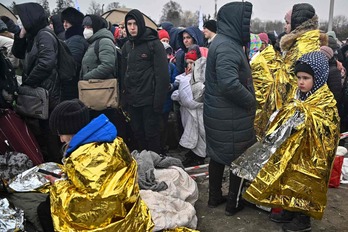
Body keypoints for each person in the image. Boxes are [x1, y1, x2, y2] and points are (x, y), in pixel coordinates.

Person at [233, 51, 339, 232]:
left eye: (306, 77)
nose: (301, 82)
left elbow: (328, 126)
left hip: (311, 155)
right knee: (290, 179)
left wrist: (304, 117)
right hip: (293, 149)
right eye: (298, 77)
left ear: (319, 77)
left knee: (305, 184)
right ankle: (290, 208)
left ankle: (303, 218)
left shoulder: (325, 101)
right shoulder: (299, 95)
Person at [37, 99, 154, 231]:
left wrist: (58, 184)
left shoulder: (83, 157)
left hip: (113, 224)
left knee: (45, 210)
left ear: (70, 129)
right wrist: (67, 176)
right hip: (131, 216)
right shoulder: (115, 141)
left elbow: (92, 206)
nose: (61, 139)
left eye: (61, 134)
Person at [203, 1, 256, 216]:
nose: (248, 26)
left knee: (217, 156)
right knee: (238, 158)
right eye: (246, 21)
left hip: (220, 113)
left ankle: (215, 197)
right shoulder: (227, 46)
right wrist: (250, 101)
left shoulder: (224, 42)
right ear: (236, 21)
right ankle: (232, 204)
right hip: (231, 115)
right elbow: (229, 83)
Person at [11, 2, 62, 163]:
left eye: (21, 18)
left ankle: (54, 164)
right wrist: (20, 35)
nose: (19, 22)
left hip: (46, 94)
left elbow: (46, 62)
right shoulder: (33, 35)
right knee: (40, 131)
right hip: (38, 93)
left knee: (48, 133)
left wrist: (28, 81)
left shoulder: (44, 35)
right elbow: (17, 53)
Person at [121, 9, 169, 155]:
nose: (132, 27)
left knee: (152, 136)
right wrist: (125, 100)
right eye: (129, 24)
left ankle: (155, 167)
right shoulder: (126, 47)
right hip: (133, 101)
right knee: (138, 135)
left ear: (141, 24)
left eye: (135, 23)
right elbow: (124, 74)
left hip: (150, 101)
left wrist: (158, 102)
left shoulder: (154, 44)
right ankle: (144, 166)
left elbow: (162, 76)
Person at [172, 45, 206, 167]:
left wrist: (180, 96)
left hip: (199, 112)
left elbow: (193, 100)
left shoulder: (202, 78)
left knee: (199, 134)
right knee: (191, 131)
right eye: (188, 63)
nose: (190, 66)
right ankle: (193, 153)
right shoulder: (185, 78)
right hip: (188, 113)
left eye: (192, 63)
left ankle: (199, 156)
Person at [60, 7, 88, 101]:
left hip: (71, 84)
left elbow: (72, 63)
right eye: (63, 21)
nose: (65, 24)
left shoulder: (75, 39)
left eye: (68, 21)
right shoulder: (72, 37)